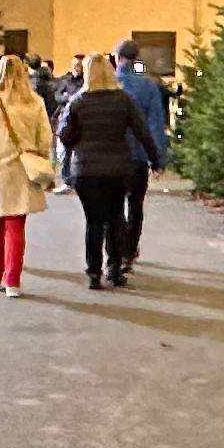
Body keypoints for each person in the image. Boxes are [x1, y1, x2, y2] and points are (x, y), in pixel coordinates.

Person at [58, 54, 151, 290]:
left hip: (86, 169)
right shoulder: (123, 100)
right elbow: (142, 131)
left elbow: (65, 135)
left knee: (93, 221)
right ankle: (114, 268)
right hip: (117, 167)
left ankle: (93, 272)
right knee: (114, 217)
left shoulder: (78, 101)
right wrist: (155, 158)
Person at [0, 53, 56, 296]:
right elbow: (45, 138)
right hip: (23, 168)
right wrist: (40, 158)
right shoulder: (34, 101)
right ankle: (12, 281)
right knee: (16, 224)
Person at [113, 36, 171, 173]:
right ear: (137, 57)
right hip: (138, 155)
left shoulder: (106, 84)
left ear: (117, 57)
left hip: (110, 155)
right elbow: (155, 124)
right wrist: (158, 159)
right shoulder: (148, 86)